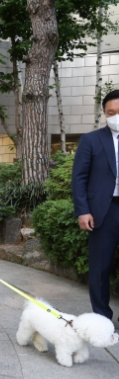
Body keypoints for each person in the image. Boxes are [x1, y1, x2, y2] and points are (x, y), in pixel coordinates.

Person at [72, 89, 119, 321]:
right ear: (104, 113)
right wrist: (83, 210)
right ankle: (102, 318)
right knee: (100, 268)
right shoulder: (91, 140)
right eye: (111, 112)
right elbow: (79, 177)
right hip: (103, 211)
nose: (115, 116)